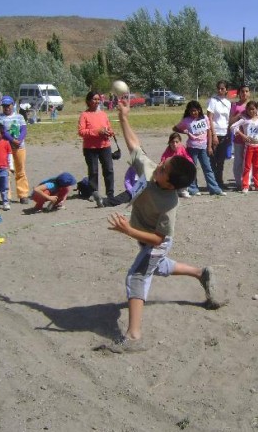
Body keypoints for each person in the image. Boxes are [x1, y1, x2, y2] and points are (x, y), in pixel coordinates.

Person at [97, 99, 224, 353]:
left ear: (171, 184)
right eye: (163, 164)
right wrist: (123, 117)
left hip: (157, 241)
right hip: (147, 239)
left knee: (137, 276)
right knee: (159, 266)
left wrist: (128, 230)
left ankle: (134, 337)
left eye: (164, 169)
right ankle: (201, 273)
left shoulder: (169, 203)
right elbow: (135, 146)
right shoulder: (151, 170)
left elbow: (158, 239)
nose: (160, 166)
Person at [173, 100, 226, 196]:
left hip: (203, 148)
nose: (193, 113)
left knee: (208, 168)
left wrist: (209, 147)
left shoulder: (205, 118)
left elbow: (209, 132)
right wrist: (185, 132)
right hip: (192, 148)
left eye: (195, 110)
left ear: (199, 110)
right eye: (191, 111)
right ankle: (193, 189)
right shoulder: (186, 120)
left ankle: (214, 189)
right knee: (193, 168)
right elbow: (175, 128)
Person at [78, 91, 115, 207]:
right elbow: (81, 132)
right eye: (94, 99)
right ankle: (94, 193)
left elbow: (110, 128)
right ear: (88, 101)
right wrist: (97, 132)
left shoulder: (103, 114)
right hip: (90, 148)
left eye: (98, 99)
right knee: (93, 171)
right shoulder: (84, 115)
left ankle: (110, 193)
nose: (97, 101)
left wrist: (109, 132)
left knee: (108, 170)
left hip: (105, 146)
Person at [0, 95, 30, 204]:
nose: (6, 108)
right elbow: (2, 132)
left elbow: (24, 129)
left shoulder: (19, 116)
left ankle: (23, 194)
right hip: (5, 148)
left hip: (19, 147)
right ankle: (7, 196)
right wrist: (12, 140)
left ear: (12, 105)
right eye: (4, 106)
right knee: (6, 171)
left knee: (20, 170)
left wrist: (19, 140)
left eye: (8, 105)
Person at [230, 101, 258, 193]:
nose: (251, 111)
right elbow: (233, 127)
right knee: (247, 166)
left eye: (253, 109)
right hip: (249, 147)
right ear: (246, 110)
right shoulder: (244, 120)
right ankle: (245, 185)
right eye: (249, 109)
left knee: (257, 166)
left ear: (256, 110)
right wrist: (243, 135)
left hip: (257, 146)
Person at [207, 80, 232, 190]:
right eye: (219, 88)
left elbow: (228, 119)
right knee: (213, 160)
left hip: (225, 133)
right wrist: (214, 135)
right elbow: (210, 118)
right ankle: (213, 184)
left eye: (222, 88)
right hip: (215, 133)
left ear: (226, 90)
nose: (220, 90)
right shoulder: (213, 101)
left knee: (221, 160)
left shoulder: (228, 103)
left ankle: (219, 181)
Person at [229, 84, 250, 190]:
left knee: (248, 160)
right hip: (238, 138)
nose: (244, 93)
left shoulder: (252, 105)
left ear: (249, 93)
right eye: (242, 91)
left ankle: (247, 182)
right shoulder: (235, 105)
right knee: (238, 160)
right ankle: (238, 182)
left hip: (250, 139)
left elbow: (257, 120)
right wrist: (238, 115)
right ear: (239, 93)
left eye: (246, 91)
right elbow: (230, 121)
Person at [161, 132, 194, 198]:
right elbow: (163, 159)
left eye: (176, 142)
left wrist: (191, 164)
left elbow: (187, 157)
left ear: (180, 142)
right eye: (172, 142)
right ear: (169, 142)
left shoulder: (182, 148)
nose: (174, 144)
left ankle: (183, 191)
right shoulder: (168, 150)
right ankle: (172, 191)